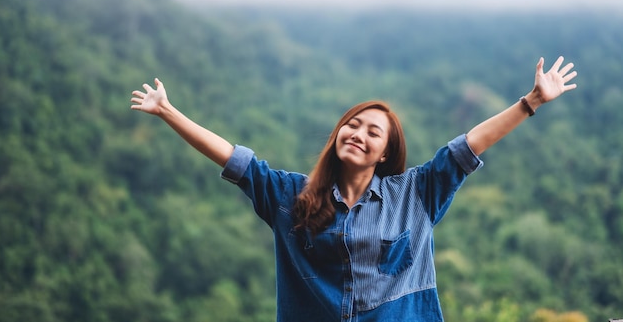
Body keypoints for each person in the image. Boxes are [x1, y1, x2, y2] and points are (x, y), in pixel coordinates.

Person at [130, 56, 577, 322]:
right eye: (353, 123)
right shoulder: (290, 197)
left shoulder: (415, 194)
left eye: (373, 132)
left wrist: (531, 102)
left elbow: (467, 147)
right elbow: (232, 157)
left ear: (385, 153)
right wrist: (169, 112)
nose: (358, 133)